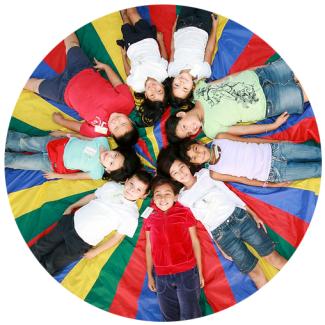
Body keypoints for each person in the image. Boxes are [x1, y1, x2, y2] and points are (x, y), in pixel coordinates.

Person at [156, 148, 288, 290]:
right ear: (173, 179)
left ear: (187, 164)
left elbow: (228, 193)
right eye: (175, 173)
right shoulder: (182, 198)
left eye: (181, 167)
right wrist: (220, 246)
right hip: (222, 235)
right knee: (255, 273)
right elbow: (203, 221)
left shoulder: (205, 174)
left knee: (274, 258)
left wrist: (252, 213)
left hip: (239, 218)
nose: (181, 173)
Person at [23, 31, 139, 147]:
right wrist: (106, 67)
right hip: (82, 70)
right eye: (123, 123)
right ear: (130, 121)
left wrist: (61, 121)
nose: (116, 121)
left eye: (116, 128)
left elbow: (79, 127)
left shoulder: (100, 131)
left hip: (63, 92)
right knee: (72, 44)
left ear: (112, 134)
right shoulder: (127, 102)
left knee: (36, 86)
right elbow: (116, 82)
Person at [29, 170, 152, 277]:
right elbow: (92, 196)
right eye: (131, 184)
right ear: (126, 181)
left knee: (52, 263)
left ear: (143, 196)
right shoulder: (112, 187)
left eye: (138, 190)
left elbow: (116, 238)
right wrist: (72, 206)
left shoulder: (131, 215)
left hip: (81, 242)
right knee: (42, 246)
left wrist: (96, 251)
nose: (131, 190)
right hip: (71, 222)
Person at [166, 57, 309, 143]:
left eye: (185, 127)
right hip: (270, 102)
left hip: (261, 76)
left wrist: (257, 68)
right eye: (189, 133)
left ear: (181, 114)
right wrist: (272, 126)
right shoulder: (211, 130)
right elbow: (243, 129)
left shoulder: (198, 91)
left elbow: (227, 79)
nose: (192, 129)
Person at [143, 176, 203, 322]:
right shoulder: (149, 215)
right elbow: (149, 245)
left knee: (191, 315)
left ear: (176, 196)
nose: (163, 198)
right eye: (158, 194)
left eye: (167, 194)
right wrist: (150, 275)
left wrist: (199, 272)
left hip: (187, 273)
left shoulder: (185, 212)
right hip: (162, 276)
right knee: (169, 318)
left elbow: (195, 241)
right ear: (154, 198)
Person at [180, 134, 322, 187]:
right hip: (274, 173)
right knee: (315, 170)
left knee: (316, 152)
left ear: (200, 143)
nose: (198, 155)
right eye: (194, 158)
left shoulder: (220, 138)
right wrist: (272, 185)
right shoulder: (214, 173)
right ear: (196, 164)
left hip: (275, 150)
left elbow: (249, 140)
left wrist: (278, 141)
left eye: (196, 149)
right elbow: (244, 180)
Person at [4, 130, 141, 181]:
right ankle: (9, 139)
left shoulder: (97, 173)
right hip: (56, 143)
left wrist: (57, 175)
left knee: (20, 162)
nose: (109, 157)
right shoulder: (102, 140)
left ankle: (6, 159)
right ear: (118, 150)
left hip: (52, 163)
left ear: (109, 170)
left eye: (111, 163)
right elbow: (81, 136)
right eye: (115, 155)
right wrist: (63, 134)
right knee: (27, 142)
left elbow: (76, 176)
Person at [117, 7, 170, 127]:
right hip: (147, 38)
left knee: (125, 18)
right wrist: (160, 41)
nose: (153, 89)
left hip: (131, 46)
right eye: (159, 91)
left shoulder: (137, 86)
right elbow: (165, 58)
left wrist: (124, 56)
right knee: (132, 13)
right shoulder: (162, 74)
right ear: (162, 86)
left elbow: (128, 73)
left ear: (145, 95)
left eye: (152, 94)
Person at [168, 5, 219, 105]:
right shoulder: (203, 71)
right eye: (185, 88)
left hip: (182, 24)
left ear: (172, 82)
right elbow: (209, 49)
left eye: (176, 85)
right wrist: (215, 27)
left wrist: (174, 27)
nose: (181, 83)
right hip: (203, 26)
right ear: (192, 88)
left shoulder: (172, 70)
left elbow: (173, 48)